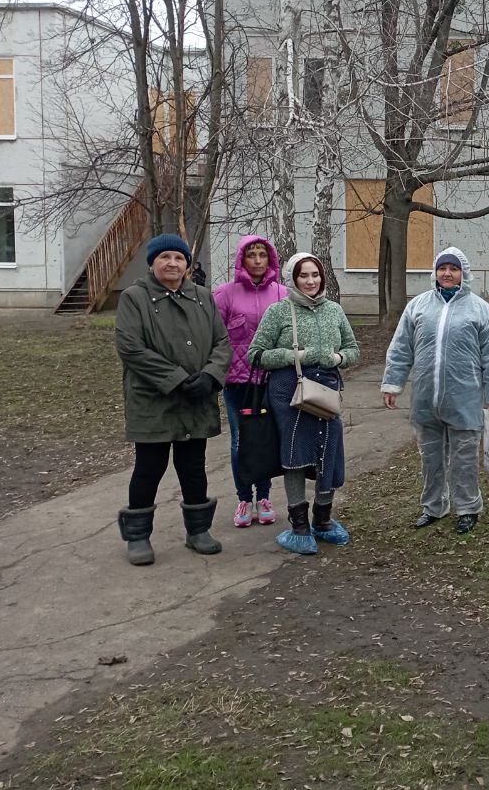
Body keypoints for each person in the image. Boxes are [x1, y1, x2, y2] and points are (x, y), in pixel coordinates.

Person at [114, 233, 232, 566]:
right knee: (149, 467)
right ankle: (137, 536)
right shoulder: (134, 298)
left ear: (187, 265)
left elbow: (222, 343)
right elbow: (131, 349)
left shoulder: (202, 297)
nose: (172, 263)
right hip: (153, 400)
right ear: (152, 263)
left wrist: (210, 376)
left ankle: (198, 532)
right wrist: (178, 380)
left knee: (193, 467)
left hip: (197, 399)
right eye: (164, 257)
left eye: (179, 258)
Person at [381, 248, 489, 534]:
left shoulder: (480, 310)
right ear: (435, 273)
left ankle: (467, 508)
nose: (447, 273)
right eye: (442, 268)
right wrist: (392, 383)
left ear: (464, 273)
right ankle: (434, 506)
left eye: (453, 268)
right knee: (430, 456)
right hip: (426, 397)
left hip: (466, 397)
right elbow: (402, 348)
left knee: (464, 456)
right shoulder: (419, 306)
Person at [248, 252, 359, 555]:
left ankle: (322, 521)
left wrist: (338, 358)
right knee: (296, 454)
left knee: (330, 452)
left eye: (315, 275)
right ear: (292, 279)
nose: (310, 281)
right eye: (303, 276)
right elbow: (255, 354)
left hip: (326, 391)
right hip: (289, 392)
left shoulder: (334, 310)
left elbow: (353, 349)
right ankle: (299, 527)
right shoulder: (279, 311)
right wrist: (295, 356)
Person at [213, 235, 288, 528]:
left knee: (265, 439)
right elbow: (216, 338)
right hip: (237, 382)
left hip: (271, 381)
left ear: (270, 259)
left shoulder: (282, 293)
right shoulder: (225, 294)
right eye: (251, 255)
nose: (257, 261)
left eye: (262, 255)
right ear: (241, 259)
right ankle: (244, 497)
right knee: (241, 441)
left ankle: (265, 497)